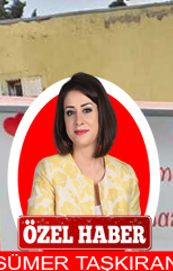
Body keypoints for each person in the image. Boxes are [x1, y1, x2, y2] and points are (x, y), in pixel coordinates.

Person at [27, 72, 140, 217]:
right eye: (70, 113)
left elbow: (135, 237)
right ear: (63, 121)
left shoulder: (126, 174)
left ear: (102, 114)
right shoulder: (49, 170)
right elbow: (37, 236)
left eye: (87, 110)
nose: (78, 120)